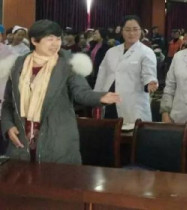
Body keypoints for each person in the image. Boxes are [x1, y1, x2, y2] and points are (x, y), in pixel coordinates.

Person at [1, 20, 120, 164]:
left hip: (57, 143)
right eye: (50, 39)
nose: (55, 43)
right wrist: (8, 126)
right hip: (21, 144)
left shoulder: (67, 64)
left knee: (56, 177)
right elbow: (8, 102)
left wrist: (100, 97)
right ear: (34, 41)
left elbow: (81, 92)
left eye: (58, 39)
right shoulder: (18, 65)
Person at [94, 15, 158, 124]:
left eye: (135, 29)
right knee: (109, 131)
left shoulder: (146, 52)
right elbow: (102, 75)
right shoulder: (111, 52)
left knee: (131, 132)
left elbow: (149, 73)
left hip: (132, 105)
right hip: (109, 103)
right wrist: (96, 97)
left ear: (141, 31)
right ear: (122, 31)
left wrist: (150, 82)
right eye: (127, 30)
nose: (131, 33)